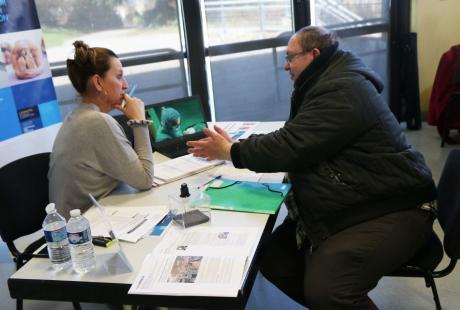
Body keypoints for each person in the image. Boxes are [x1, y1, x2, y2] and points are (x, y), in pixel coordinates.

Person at [187, 26, 436, 309]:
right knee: (274, 259)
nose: (285, 65)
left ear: (313, 54)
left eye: (290, 57)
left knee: (329, 291)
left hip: (392, 207)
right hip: (362, 197)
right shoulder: (327, 80)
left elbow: (292, 144)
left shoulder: (341, 88)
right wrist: (240, 150)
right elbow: (300, 137)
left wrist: (232, 151)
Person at [49, 40, 154, 217]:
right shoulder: (97, 122)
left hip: (88, 218)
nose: (125, 85)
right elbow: (145, 179)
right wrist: (139, 121)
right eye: (119, 76)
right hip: (84, 231)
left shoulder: (76, 116)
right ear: (98, 83)